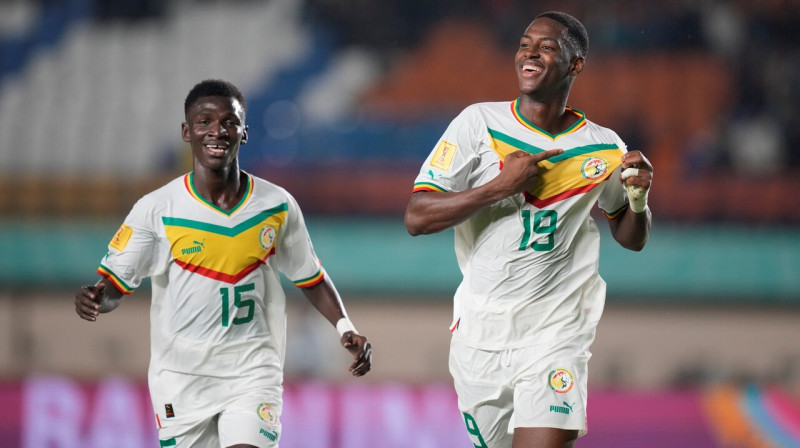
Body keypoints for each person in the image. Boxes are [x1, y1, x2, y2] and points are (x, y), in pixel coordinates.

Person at [74, 79, 372, 448]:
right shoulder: (156, 210)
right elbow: (116, 285)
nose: (218, 131)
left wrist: (344, 326)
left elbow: (309, 275)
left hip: (252, 371)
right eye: (205, 121)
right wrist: (97, 299)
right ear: (188, 131)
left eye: (230, 122)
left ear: (244, 133)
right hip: (181, 378)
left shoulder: (276, 205)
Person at [404, 11, 652, 448]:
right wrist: (498, 187)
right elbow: (417, 217)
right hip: (481, 335)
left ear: (576, 64)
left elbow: (631, 238)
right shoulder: (478, 123)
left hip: (556, 333)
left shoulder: (603, 146)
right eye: (524, 44)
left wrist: (637, 198)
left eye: (547, 46)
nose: (530, 54)